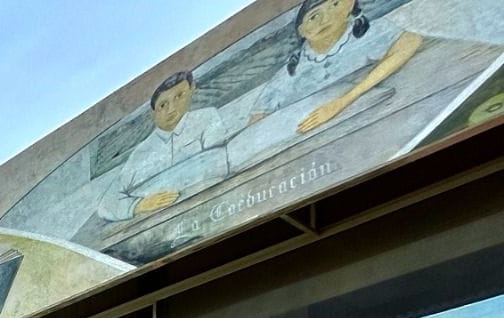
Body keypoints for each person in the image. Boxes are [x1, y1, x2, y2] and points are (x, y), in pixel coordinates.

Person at [251, 0, 422, 136]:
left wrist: (342, 102)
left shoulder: (368, 33)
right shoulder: (290, 70)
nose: (325, 20)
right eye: (313, 17)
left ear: (349, 4)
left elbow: (410, 42)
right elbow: (258, 117)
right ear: (302, 30)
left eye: (334, 5)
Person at [100, 70, 233, 222]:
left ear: (192, 90)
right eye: (163, 105)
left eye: (179, 96)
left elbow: (221, 161)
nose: (172, 109)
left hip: (213, 209)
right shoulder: (142, 151)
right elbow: (106, 204)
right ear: (153, 113)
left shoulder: (206, 118)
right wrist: (139, 205)